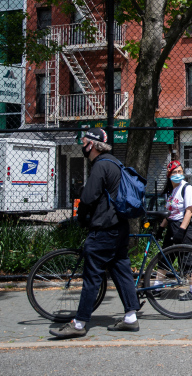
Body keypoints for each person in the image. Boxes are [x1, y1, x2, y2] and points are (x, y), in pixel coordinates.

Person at [50, 129, 140, 339]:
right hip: (119, 226)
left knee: (92, 276)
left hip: (104, 228)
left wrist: (82, 219)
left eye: (83, 142)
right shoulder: (115, 163)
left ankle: (79, 323)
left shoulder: (100, 166)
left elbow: (88, 198)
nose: (82, 146)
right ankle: (130, 318)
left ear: (92, 144)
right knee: (121, 270)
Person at [155, 160, 192, 301]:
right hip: (172, 226)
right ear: (169, 175)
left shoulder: (187, 188)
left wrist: (181, 230)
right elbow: (169, 213)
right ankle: (156, 287)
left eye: (180, 171)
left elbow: (189, 211)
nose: (178, 174)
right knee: (165, 258)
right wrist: (161, 228)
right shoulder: (172, 191)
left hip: (185, 227)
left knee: (186, 259)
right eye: (174, 172)